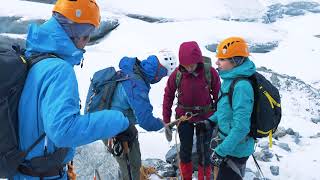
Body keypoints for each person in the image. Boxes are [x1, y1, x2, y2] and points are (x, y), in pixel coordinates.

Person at [16, 0, 130, 179]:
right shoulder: (59, 70)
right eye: (88, 33)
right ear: (78, 32)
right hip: (43, 174)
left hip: (22, 171)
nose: (87, 41)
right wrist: (118, 121)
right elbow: (64, 131)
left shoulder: (34, 58)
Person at [106, 50, 177, 180]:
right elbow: (146, 121)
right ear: (159, 72)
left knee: (130, 163)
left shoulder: (132, 70)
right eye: (162, 76)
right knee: (131, 167)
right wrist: (161, 124)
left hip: (114, 122)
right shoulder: (137, 85)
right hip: (116, 130)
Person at [162, 41, 221, 180]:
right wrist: (166, 121)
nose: (189, 68)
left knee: (204, 152)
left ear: (198, 61)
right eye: (185, 65)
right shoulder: (177, 75)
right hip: (184, 118)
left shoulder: (209, 72)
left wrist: (220, 118)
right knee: (185, 151)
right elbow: (168, 95)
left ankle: (204, 177)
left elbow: (219, 95)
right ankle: (186, 177)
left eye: (192, 64)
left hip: (206, 118)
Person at [209, 37, 256, 180]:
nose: (217, 62)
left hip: (235, 150)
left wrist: (220, 152)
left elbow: (241, 127)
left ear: (235, 61)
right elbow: (226, 110)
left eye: (222, 59)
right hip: (229, 145)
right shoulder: (230, 80)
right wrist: (210, 121)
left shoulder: (241, 87)